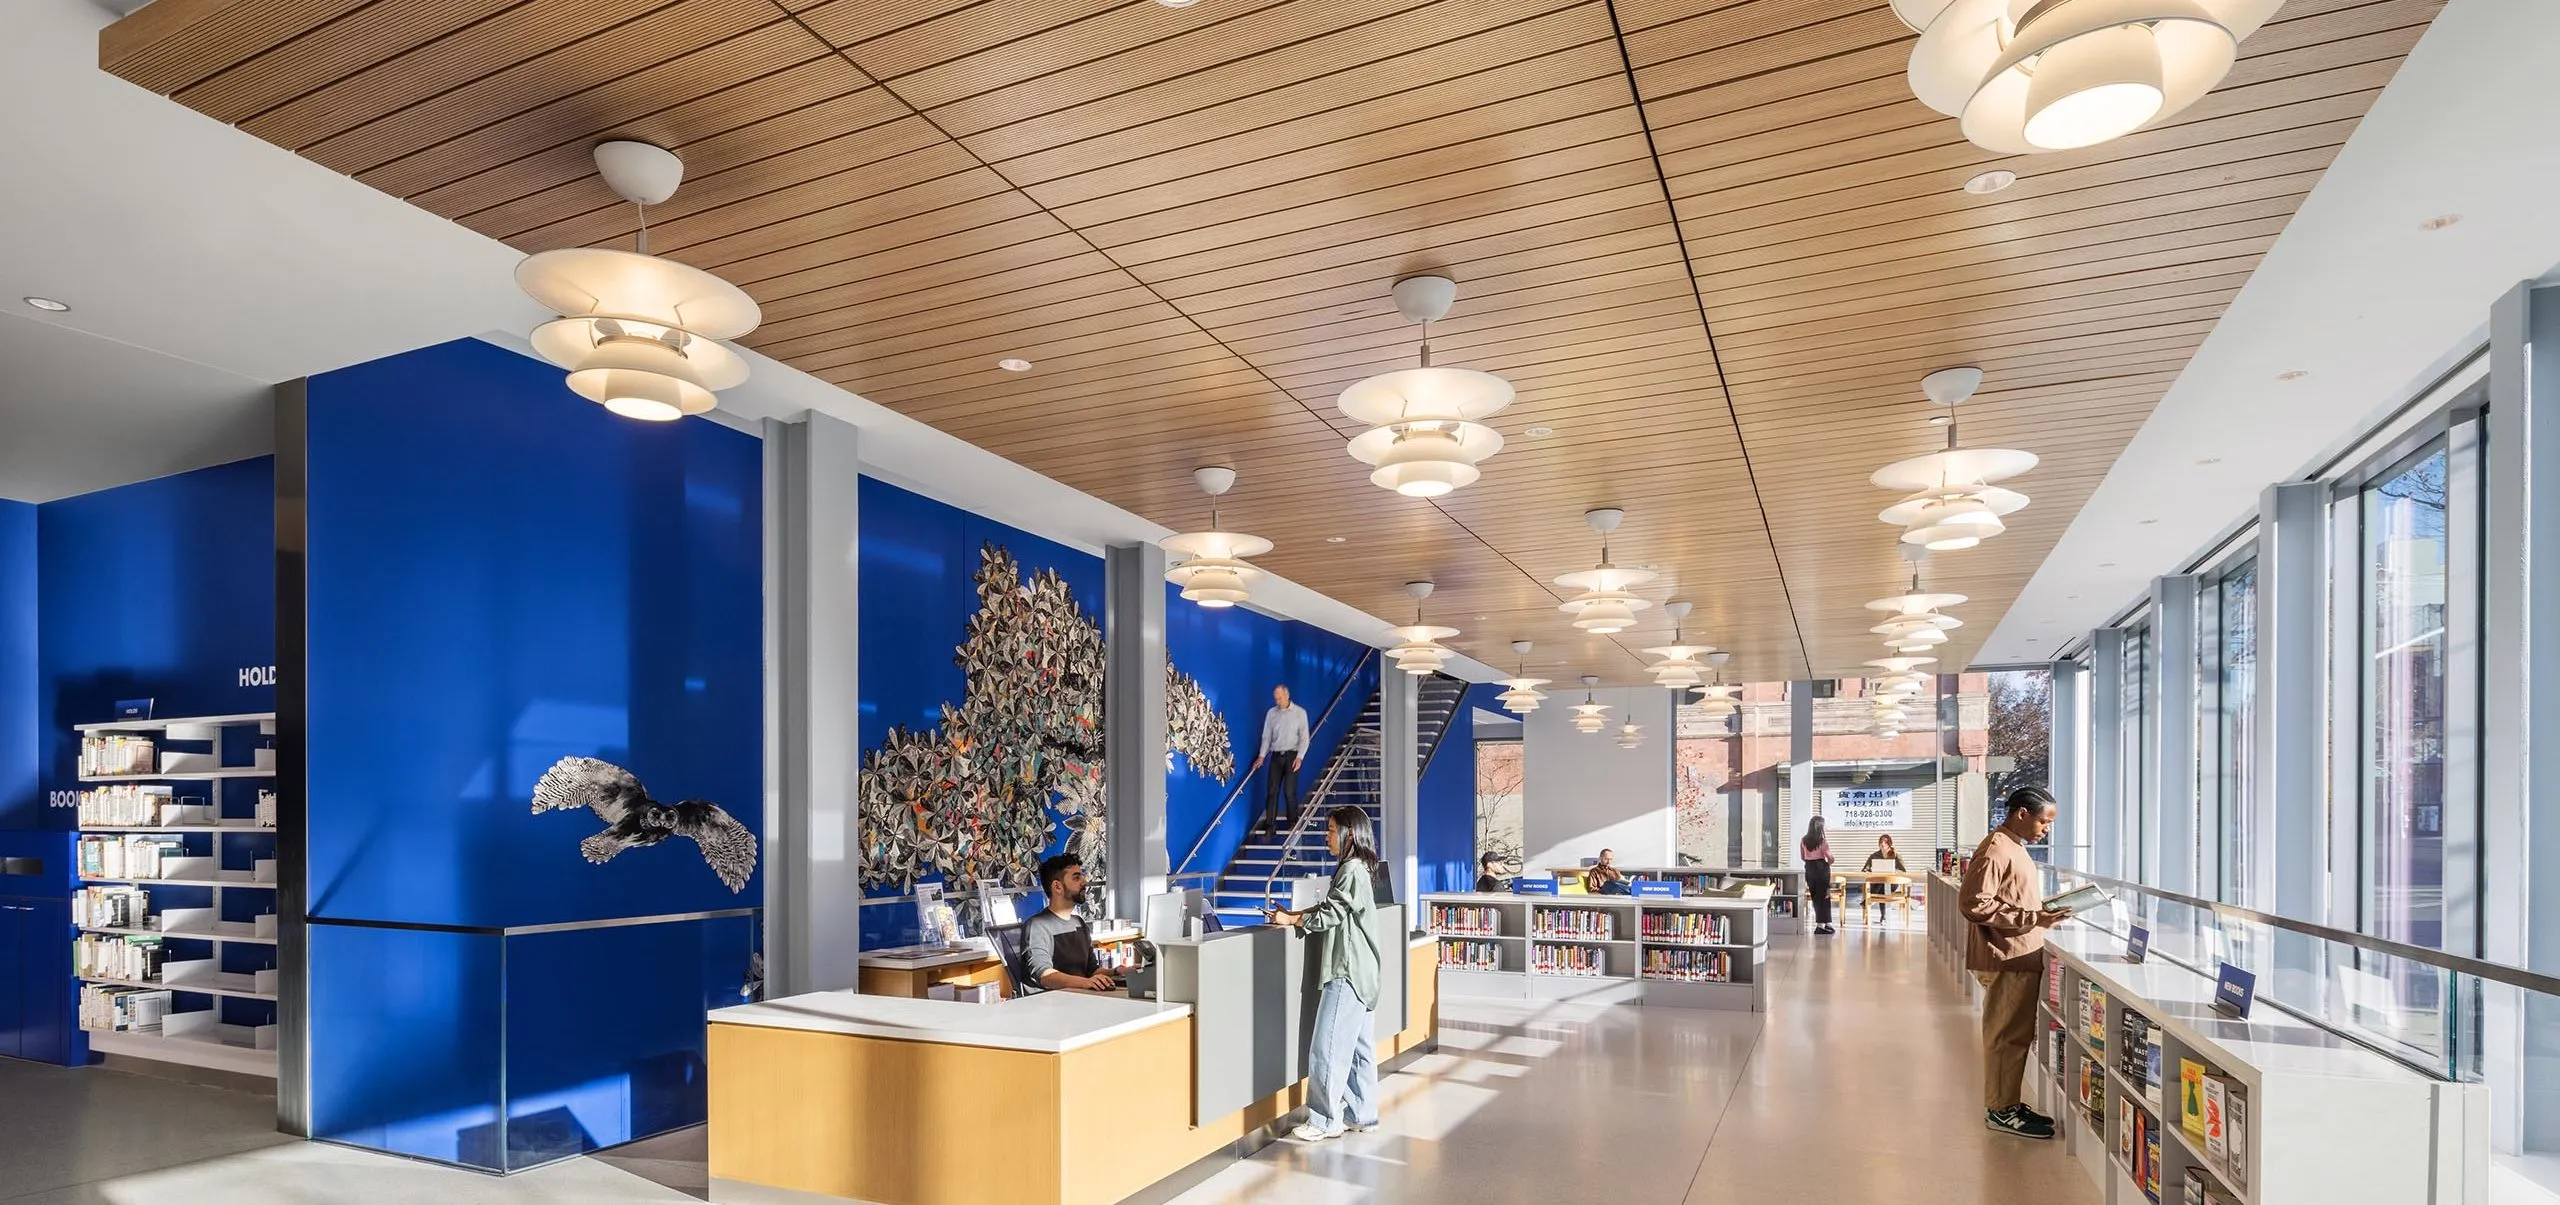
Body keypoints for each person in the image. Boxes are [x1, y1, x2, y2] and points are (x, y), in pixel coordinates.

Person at [1264, 805, 1385, 1142]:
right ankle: (1363, 1113)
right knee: (1360, 1049)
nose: (1326, 836)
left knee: (1326, 1047)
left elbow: (1332, 913)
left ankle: (1324, 1120)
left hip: (1347, 970)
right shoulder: (1358, 869)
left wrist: (1293, 920)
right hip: (1364, 971)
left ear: (1349, 833)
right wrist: (1296, 914)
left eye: (1331, 830)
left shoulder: (1350, 870)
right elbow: (1335, 908)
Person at [1960, 787, 2071, 1140]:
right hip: (2005, 956)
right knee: (2005, 1036)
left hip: (2019, 954)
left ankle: (2007, 1101)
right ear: (2021, 813)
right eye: (2043, 820)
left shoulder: (2014, 847)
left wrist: (2040, 913)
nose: (2046, 829)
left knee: (2016, 1036)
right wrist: (2033, 917)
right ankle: (2000, 1110)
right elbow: (1974, 903)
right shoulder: (1996, 848)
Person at [1023, 853, 1118, 994]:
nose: (1084, 882)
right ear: (1057, 887)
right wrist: (1085, 983)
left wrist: (1118, 971)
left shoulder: (1079, 923)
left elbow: (1092, 970)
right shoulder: (1038, 926)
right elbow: (1045, 975)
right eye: (1076, 877)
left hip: (1082, 998)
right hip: (1053, 1004)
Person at [1248, 684, 1310, 830]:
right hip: (1276, 757)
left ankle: (1293, 822)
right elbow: (1266, 736)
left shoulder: (1300, 713)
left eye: (1280, 698)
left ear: (1287, 695)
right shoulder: (1271, 713)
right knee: (1272, 791)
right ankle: (1270, 824)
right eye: (1276, 699)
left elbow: (1305, 738)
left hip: (1292, 756)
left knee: (1289, 791)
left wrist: (1300, 757)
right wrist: (1262, 756)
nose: (1278, 702)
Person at [1860, 834, 1910, 922]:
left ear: (1889, 844)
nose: (1883, 844)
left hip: (1892, 883)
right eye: (1881, 842)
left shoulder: (1895, 855)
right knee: (1881, 885)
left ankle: (1868, 901)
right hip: (1878, 883)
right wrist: (1870, 872)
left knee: (1882, 883)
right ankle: (1883, 917)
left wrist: (1894, 871)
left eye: (1885, 842)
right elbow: (1865, 869)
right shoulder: (1874, 855)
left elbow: (1903, 870)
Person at [1801, 815, 1835, 934]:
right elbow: (1830, 858)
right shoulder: (1822, 841)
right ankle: (1821, 925)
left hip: (1809, 869)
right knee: (1824, 896)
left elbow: (1802, 857)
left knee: (1816, 897)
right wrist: (1829, 862)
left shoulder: (1804, 840)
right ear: (1820, 827)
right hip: (1821, 869)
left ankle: (1827, 923)